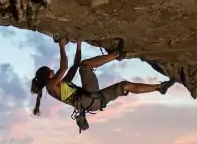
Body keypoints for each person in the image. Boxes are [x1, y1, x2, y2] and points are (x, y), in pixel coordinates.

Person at [30, 37, 176, 132]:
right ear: (47, 75)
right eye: (51, 71)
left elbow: (74, 65)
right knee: (85, 66)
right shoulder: (51, 85)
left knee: (124, 85)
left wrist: (79, 45)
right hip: (88, 99)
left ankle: (159, 87)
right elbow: (64, 67)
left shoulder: (60, 86)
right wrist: (61, 46)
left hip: (94, 102)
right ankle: (116, 54)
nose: (53, 71)